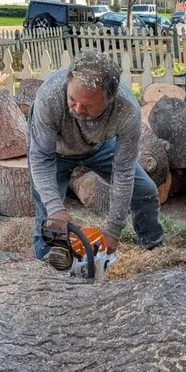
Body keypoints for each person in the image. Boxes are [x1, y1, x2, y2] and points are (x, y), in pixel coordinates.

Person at [28, 50, 164, 268]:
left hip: (99, 146)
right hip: (55, 150)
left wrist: (113, 230)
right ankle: (48, 265)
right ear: (68, 82)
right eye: (72, 100)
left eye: (89, 105)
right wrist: (55, 208)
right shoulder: (50, 96)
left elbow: (124, 171)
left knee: (145, 192)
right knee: (48, 215)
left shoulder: (126, 110)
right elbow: (41, 157)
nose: (78, 109)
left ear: (109, 98)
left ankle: (153, 250)